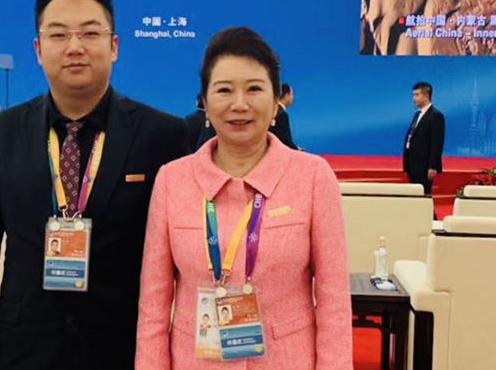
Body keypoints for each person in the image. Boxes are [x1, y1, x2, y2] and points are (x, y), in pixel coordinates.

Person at [0, 0, 190, 370]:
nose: (75, 47)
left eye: (90, 33)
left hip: (124, 352)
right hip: (23, 353)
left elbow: (185, 266)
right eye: (59, 34)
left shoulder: (162, 136)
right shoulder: (2, 133)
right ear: (38, 50)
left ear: (114, 46)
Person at [136, 27, 352, 370]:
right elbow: (153, 306)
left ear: (276, 101)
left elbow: (334, 302)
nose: (239, 104)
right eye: (224, 90)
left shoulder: (313, 177)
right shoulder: (171, 181)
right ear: (205, 102)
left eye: (254, 89)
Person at [403, 81, 445, 197]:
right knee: (416, 195)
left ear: (426, 96)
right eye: (413, 95)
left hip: (424, 165)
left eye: (417, 95)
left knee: (423, 195)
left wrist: (433, 166)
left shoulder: (436, 116)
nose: (414, 98)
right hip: (413, 164)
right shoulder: (417, 115)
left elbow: (437, 143)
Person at [273, 82, 298, 150]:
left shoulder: (272, 110)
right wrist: (296, 150)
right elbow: (283, 139)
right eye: (292, 94)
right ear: (286, 95)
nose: (293, 97)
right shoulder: (282, 114)